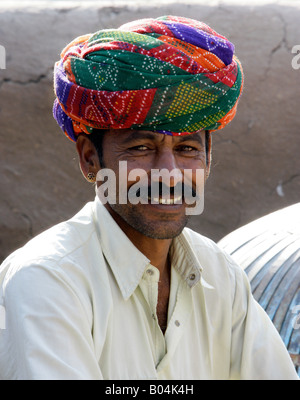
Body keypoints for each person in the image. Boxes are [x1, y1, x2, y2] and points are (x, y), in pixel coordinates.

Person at [0, 16, 298, 380]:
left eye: (187, 148)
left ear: (207, 159)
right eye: (141, 147)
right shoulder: (47, 279)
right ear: (89, 158)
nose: (169, 174)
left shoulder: (221, 275)